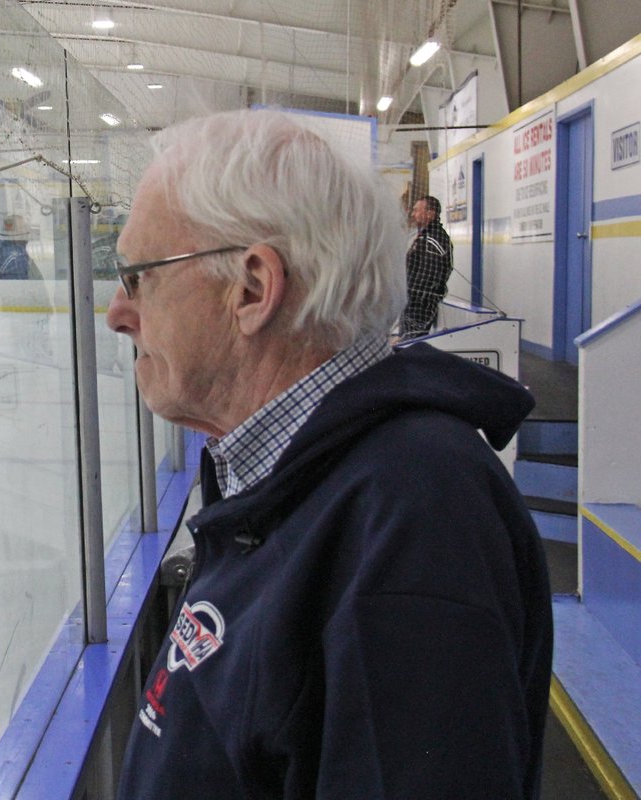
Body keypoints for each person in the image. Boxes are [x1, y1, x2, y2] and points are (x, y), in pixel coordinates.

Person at [106, 110, 551, 799]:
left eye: (139, 275)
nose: (118, 311)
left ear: (252, 288)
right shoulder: (291, 476)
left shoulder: (414, 523)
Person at [400, 195, 453, 339]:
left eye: (417, 210)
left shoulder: (433, 240)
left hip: (419, 305)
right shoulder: (424, 237)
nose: (413, 214)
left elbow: (428, 277)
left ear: (430, 213)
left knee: (411, 343)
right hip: (411, 302)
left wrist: (412, 298)